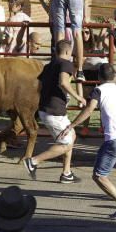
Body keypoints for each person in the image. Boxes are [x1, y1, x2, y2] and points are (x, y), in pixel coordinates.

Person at [57, 63, 116, 219]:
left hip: (114, 139)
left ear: (99, 77)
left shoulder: (98, 91)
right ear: (113, 76)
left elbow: (89, 110)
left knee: (99, 176)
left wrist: (71, 125)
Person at [23, 40, 85, 183]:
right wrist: (78, 97)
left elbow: (39, 86)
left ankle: (66, 173)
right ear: (68, 52)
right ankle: (33, 161)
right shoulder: (65, 64)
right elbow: (63, 82)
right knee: (65, 144)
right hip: (54, 112)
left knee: (72, 135)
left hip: (48, 109)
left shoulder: (49, 66)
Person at [50, 0, 92, 82]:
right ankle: (79, 70)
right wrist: (86, 15)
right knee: (77, 32)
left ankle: (58, 66)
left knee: (60, 32)